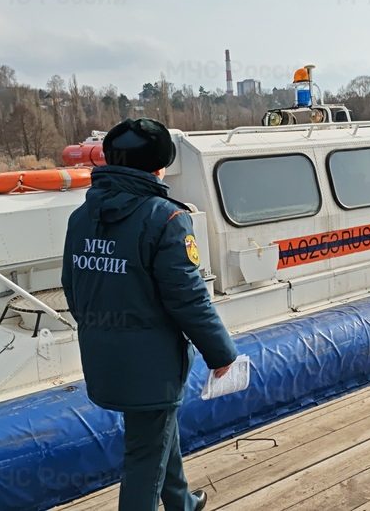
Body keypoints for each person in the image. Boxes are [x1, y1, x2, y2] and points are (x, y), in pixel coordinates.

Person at [62, 118, 238, 511]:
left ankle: (181, 503)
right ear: (159, 167)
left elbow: (73, 288)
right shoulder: (167, 218)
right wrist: (221, 353)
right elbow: (188, 298)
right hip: (152, 361)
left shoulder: (81, 218)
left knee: (155, 429)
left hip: (104, 354)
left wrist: (101, 332)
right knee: (144, 454)